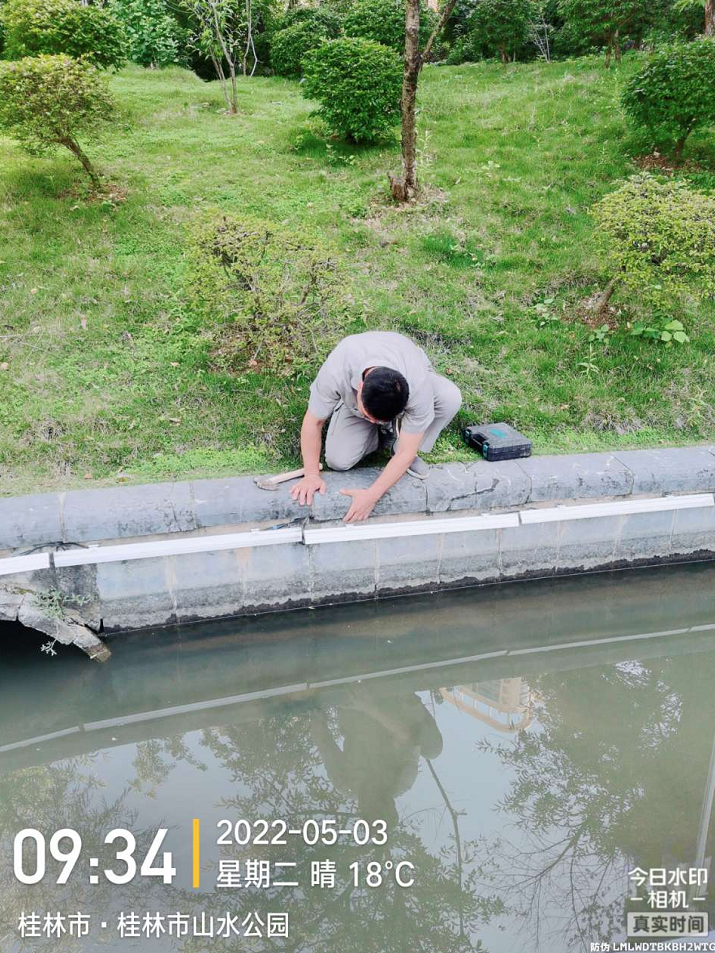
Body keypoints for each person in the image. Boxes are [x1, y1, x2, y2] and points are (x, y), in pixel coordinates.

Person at [290, 331, 462, 523]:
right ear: (360, 387)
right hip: (355, 391)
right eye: (368, 417)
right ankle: (382, 434)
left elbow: (405, 453)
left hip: (412, 371)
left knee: (450, 398)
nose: (374, 421)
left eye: (380, 420)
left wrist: (372, 496)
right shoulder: (338, 368)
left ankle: (401, 440)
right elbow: (314, 422)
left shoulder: (418, 386)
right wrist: (311, 474)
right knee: (338, 460)